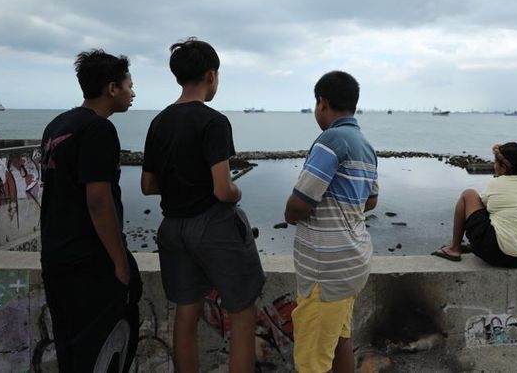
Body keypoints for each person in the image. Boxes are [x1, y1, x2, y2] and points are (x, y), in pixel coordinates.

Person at [141, 38, 264, 373]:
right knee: (242, 315)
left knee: (185, 315)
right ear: (211, 76)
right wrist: (236, 192)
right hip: (212, 225)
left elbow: (148, 185)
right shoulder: (214, 122)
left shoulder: (159, 122)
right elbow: (223, 189)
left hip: (172, 228)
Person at [39, 50, 142, 372]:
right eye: (129, 84)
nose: (133, 92)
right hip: (90, 260)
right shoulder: (98, 130)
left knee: (70, 348)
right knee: (103, 350)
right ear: (112, 88)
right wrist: (119, 260)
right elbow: (97, 199)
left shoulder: (58, 125)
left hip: (57, 254)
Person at [284, 71, 378, 373]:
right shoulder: (365, 145)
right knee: (340, 340)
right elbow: (372, 200)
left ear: (322, 102)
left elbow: (299, 203)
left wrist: (290, 213)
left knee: (312, 360)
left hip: (326, 270)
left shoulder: (331, 140)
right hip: (353, 262)